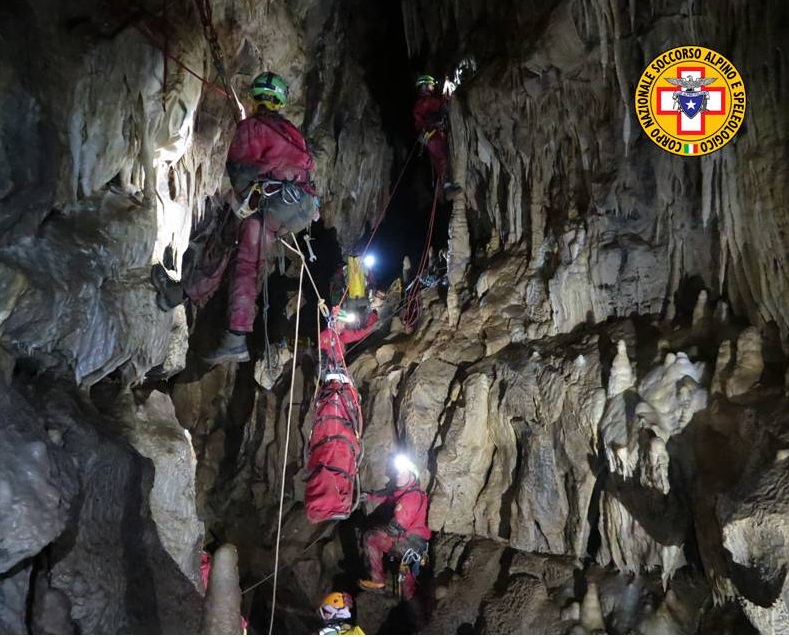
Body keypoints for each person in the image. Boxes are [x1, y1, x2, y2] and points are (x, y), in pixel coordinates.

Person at [204, 71, 319, 365]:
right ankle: (188, 292)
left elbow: (240, 173)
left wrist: (241, 199)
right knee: (241, 246)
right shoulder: (292, 131)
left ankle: (235, 338)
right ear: (280, 101)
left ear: (255, 98)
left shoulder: (253, 126)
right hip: (302, 206)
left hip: (277, 202)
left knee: (245, 261)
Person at [357, 454, 431, 601]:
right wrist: (369, 496)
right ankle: (411, 608)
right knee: (407, 583)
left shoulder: (411, 497)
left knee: (371, 537)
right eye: (397, 471)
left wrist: (379, 529)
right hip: (413, 545)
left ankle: (378, 580)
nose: (397, 475)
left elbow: (397, 527)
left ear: (412, 476)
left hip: (410, 543)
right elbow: (387, 497)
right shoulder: (405, 493)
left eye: (402, 472)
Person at [413, 74, 462, 201]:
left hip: (430, 139)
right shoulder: (425, 101)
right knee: (443, 158)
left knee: (439, 162)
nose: (432, 87)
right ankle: (448, 187)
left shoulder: (421, 103)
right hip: (434, 136)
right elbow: (442, 105)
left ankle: (446, 186)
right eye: (430, 85)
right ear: (424, 87)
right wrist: (448, 96)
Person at [319, 307, 378, 383]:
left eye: (345, 323)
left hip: (339, 368)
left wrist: (372, 328)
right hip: (328, 371)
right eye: (342, 323)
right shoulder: (326, 335)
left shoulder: (341, 334)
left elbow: (356, 335)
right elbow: (323, 356)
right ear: (334, 322)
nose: (344, 326)